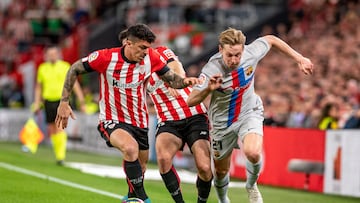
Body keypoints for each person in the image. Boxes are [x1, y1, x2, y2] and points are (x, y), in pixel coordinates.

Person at [55, 24, 200, 202]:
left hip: (139, 121)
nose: (146, 52)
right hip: (112, 118)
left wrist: (186, 82)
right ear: (128, 44)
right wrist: (64, 101)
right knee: (130, 149)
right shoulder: (106, 57)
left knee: (141, 165)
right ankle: (144, 198)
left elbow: (172, 79)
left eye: (148, 48)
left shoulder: (151, 57)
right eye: (142, 48)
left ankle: (131, 197)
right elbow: (74, 68)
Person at [187, 28, 314, 203]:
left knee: (253, 153)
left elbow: (271, 39)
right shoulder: (211, 69)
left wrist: (299, 58)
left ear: (243, 50)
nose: (234, 60)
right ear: (220, 50)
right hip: (221, 123)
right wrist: (208, 88)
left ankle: (251, 185)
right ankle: (223, 199)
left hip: (249, 112)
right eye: (229, 55)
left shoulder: (251, 53)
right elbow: (190, 100)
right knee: (221, 171)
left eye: (237, 55)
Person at [119, 29, 213, 203]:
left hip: (193, 114)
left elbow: (177, 66)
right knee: (163, 159)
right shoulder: (132, 70)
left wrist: (174, 80)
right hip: (167, 120)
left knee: (205, 167)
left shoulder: (161, 52)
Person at [33, 46, 85, 165]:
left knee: (60, 127)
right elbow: (39, 87)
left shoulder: (65, 66)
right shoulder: (42, 68)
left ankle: (60, 156)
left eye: (54, 54)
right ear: (46, 56)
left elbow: (74, 84)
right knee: (51, 129)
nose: (52, 56)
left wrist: (81, 101)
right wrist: (37, 103)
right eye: (49, 54)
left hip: (62, 101)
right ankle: (58, 153)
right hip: (48, 101)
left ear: (58, 54)